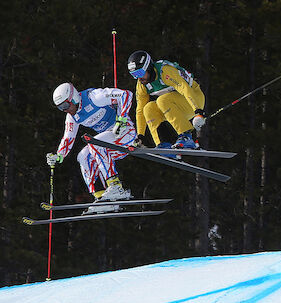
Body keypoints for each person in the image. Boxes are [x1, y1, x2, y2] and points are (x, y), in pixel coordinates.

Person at [46, 83, 136, 214]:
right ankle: (101, 198)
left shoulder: (94, 97)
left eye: (65, 105)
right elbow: (68, 138)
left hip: (125, 133)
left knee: (94, 143)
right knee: (83, 156)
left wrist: (121, 119)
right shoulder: (72, 117)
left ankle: (115, 186)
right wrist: (59, 156)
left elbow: (126, 94)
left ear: (74, 98)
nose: (65, 110)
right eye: (60, 108)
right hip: (109, 142)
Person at [127, 50, 206, 151]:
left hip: (194, 99)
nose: (138, 77)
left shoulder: (164, 71)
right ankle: (164, 145)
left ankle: (186, 136)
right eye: (134, 75)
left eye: (139, 73)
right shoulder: (142, 84)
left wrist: (198, 111)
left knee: (162, 100)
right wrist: (140, 135)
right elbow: (140, 110)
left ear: (148, 67)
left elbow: (184, 88)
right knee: (148, 108)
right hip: (175, 107)